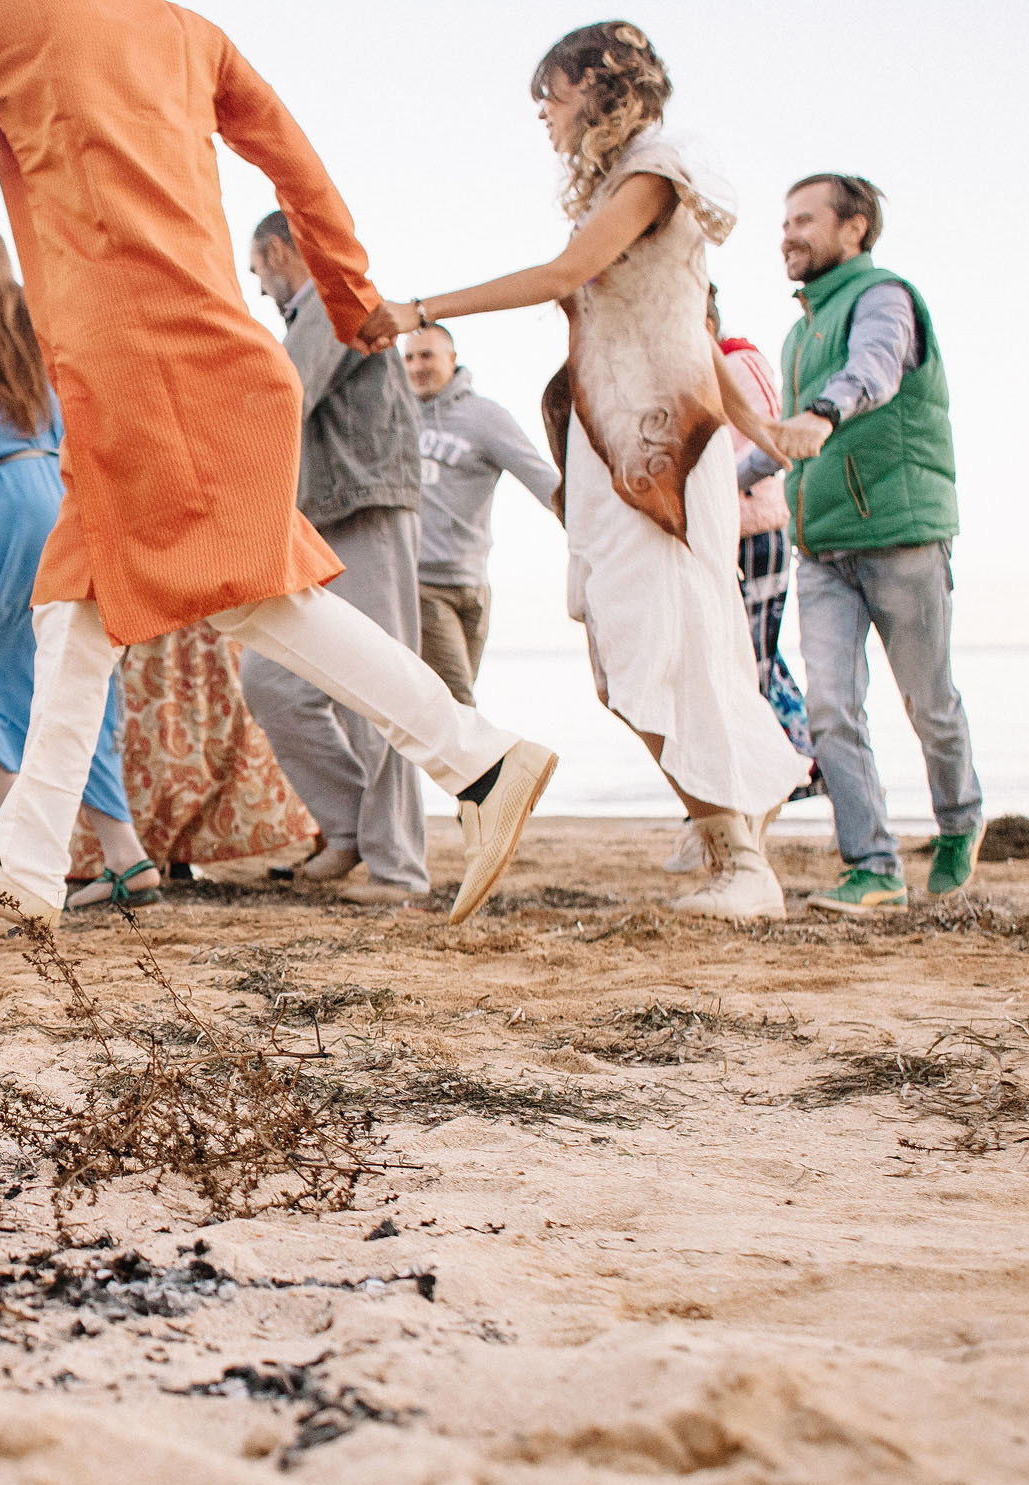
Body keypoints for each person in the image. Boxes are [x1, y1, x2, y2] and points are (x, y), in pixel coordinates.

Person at [0, 0, 556, 933]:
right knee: (77, 612)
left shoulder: (3, 21)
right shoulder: (189, 32)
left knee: (250, 603)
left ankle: (481, 759)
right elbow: (297, 164)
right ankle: (30, 865)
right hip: (197, 359)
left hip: (138, 372)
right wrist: (348, 299)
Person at [381, 21, 811, 919]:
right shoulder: (625, 183)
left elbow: (567, 274)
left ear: (604, 89)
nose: (544, 111)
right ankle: (734, 842)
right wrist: (763, 429)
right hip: (610, 445)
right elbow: (693, 336)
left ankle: (740, 860)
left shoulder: (656, 173)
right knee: (626, 655)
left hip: (653, 452)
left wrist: (415, 310)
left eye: (556, 91)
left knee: (662, 641)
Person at [0, 216, 155, 913]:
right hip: (67, 495)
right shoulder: (46, 329)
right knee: (74, 673)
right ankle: (126, 855)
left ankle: (24, 831)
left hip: (2, 504)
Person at [771, 174, 981, 912]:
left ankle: (959, 822)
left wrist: (825, 413)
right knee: (831, 708)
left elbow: (876, 372)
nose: (788, 233)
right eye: (785, 221)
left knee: (928, 700)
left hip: (900, 534)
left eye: (804, 219)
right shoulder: (800, 332)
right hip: (821, 548)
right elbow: (788, 437)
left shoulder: (883, 298)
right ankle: (873, 866)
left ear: (854, 228)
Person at [243, 211, 433, 908]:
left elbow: (282, 397)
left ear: (274, 250)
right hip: (318, 520)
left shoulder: (328, 294)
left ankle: (399, 869)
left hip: (367, 509)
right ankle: (351, 828)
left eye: (256, 265)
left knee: (383, 690)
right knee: (270, 681)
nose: (255, 284)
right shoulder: (306, 310)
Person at [664, 286, 824, 872]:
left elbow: (768, 444)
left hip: (752, 535)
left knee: (748, 666)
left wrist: (714, 495)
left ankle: (800, 763)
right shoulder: (706, 371)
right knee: (731, 666)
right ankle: (739, 799)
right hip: (722, 538)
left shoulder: (737, 363)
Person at [63, 620, 316, 886]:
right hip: (160, 616)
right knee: (160, 727)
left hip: (200, 614)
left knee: (200, 728)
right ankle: (143, 853)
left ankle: (172, 854)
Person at [403, 323, 561, 706]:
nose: (416, 367)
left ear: (452, 359)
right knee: (458, 704)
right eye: (408, 358)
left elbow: (543, 481)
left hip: (473, 586)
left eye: (426, 355)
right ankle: (497, 768)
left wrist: (599, 533)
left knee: (448, 709)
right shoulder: (393, 418)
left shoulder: (484, 418)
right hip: (419, 583)